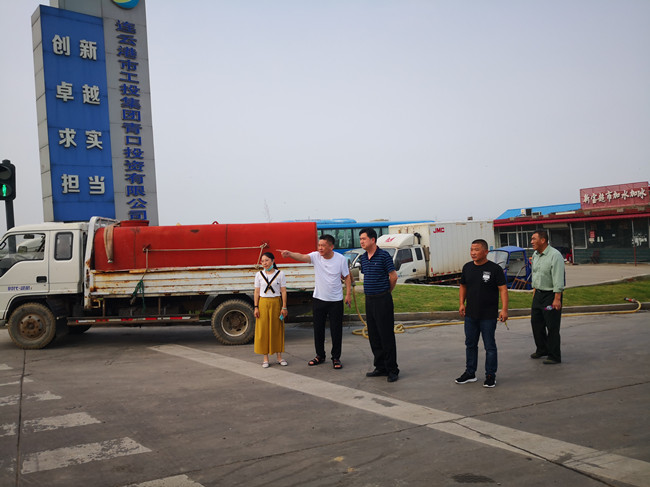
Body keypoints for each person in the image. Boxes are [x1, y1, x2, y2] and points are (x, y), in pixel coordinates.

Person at [278, 235, 352, 369]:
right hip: (319, 299)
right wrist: (289, 254)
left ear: (331, 247)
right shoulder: (316, 256)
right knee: (318, 329)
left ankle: (336, 357)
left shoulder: (340, 259)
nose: (320, 248)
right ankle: (320, 355)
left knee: (336, 330)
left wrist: (348, 294)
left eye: (323, 245)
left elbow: (347, 277)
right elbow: (302, 257)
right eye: (319, 245)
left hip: (335, 300)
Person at [456, 239, 509, 388]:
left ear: (486, 252)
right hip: (470, 315)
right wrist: (461, 303)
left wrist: (504, 309)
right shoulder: (467, 267)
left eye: (477, 249)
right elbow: (463, 286)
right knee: (470, 344)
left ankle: (490, 375)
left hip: (488, 315)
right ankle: (470, 373)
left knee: (489, 346)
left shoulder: (494, 269)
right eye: (471, 249)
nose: (473, 253)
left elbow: (503, 289)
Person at [358, 228, 399, 382]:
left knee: (386, 335)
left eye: (364, 239)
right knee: (374, 335)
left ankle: (392, 369)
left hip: (383, 299)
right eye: (360, 239)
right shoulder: (363, 258)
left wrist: (386, 291)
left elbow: (393, 277)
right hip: (370, 300)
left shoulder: (384, 256)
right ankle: (380, 367)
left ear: (373, 240)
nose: (361, 241)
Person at [529, 230, 565, 364]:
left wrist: (557, 298)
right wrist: (534, 290)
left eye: (534, 239)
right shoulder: (535, 255)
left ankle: (554, 355)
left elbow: (558, 278)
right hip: (538, 295)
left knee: (552, 325)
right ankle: (542, 349)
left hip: (550, 296)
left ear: (543, 240)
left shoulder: (555, 255)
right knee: (536, 323)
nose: (531, 242)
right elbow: (535, 274)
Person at [253, 252, 288, 368]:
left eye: (267, 260)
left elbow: (283, 291)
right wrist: (256, 307)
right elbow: (257, 292)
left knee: (277, 329)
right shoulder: (258, 275)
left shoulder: (280, 274)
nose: (264, 263)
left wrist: (284, 306)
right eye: (262, 261)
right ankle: (265, 358)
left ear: (273, 261)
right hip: (263, 303)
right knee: (263, 330)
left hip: (276, 303)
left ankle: (279, 357)